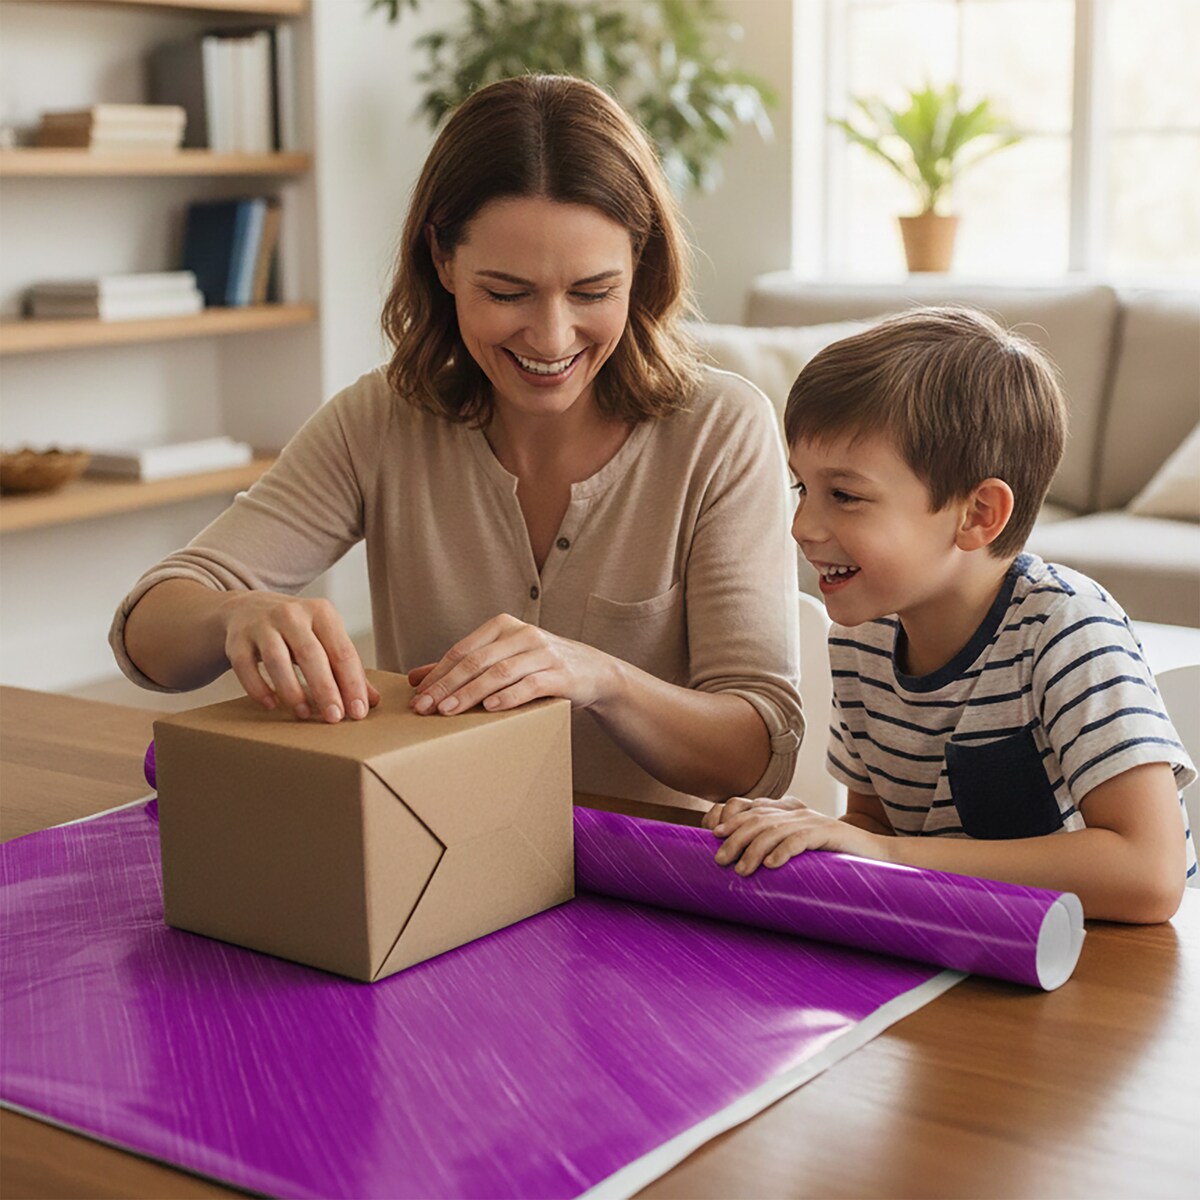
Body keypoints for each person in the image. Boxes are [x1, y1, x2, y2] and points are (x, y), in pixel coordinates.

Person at [110, 74, 804, 811]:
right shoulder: (381, 420)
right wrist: (233, 616)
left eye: (593, 291)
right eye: (507, 292)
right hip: (437, 863)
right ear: (442, 260)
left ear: (641, 264)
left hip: (647, 881)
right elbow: (147, 637)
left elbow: (758, 753)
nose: (552, 336)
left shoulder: (721, 431)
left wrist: (599, 679)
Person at [704, 307, 1195, 922]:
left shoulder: (1067, 630)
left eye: (846, 496)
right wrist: (815, 837)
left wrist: (884, 851)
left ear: (977, 515)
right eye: (802, 487)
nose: (801, 526)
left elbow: (1150, 875)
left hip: (1105, 966)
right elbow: (876, 824)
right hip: (961, 939)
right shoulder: (863, 638)